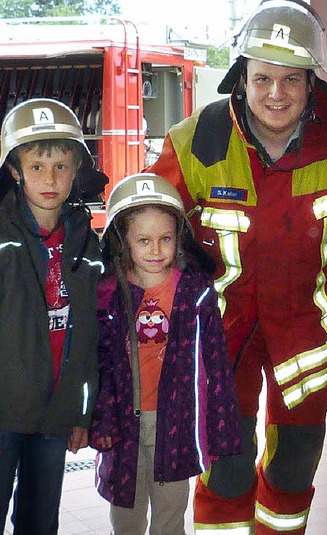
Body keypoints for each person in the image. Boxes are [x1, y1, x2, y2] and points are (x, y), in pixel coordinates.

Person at [147, 0, 327, 532]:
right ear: (241, 77)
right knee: (225, 470)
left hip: (306, 339)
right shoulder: (197, 142)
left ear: (312, 81)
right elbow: (148, 229)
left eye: (291, 79)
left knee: (294, 468)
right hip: (220, 338)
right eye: (263, 78)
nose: (276, 93)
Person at [89, 172, 243, 534]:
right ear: (122, 241)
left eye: (165, 239)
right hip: (122, 428)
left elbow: (216, 365)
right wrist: (101, 420)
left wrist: (221, 430)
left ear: (179, 240)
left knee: (171, 515)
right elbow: (98, 366)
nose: (156, 250)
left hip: (176, 424)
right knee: (125, 516)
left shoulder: (196, 293)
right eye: (143, 240)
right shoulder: (106, 295)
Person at [0, 98, 104, 534]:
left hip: (54, 416)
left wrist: (81, 412)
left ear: (77, 169)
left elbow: (91, 340)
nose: (50, 178)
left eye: (61, 166)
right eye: (38, 166)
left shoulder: (89, 244)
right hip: (3, 413)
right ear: (14, 170)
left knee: (41, 522)